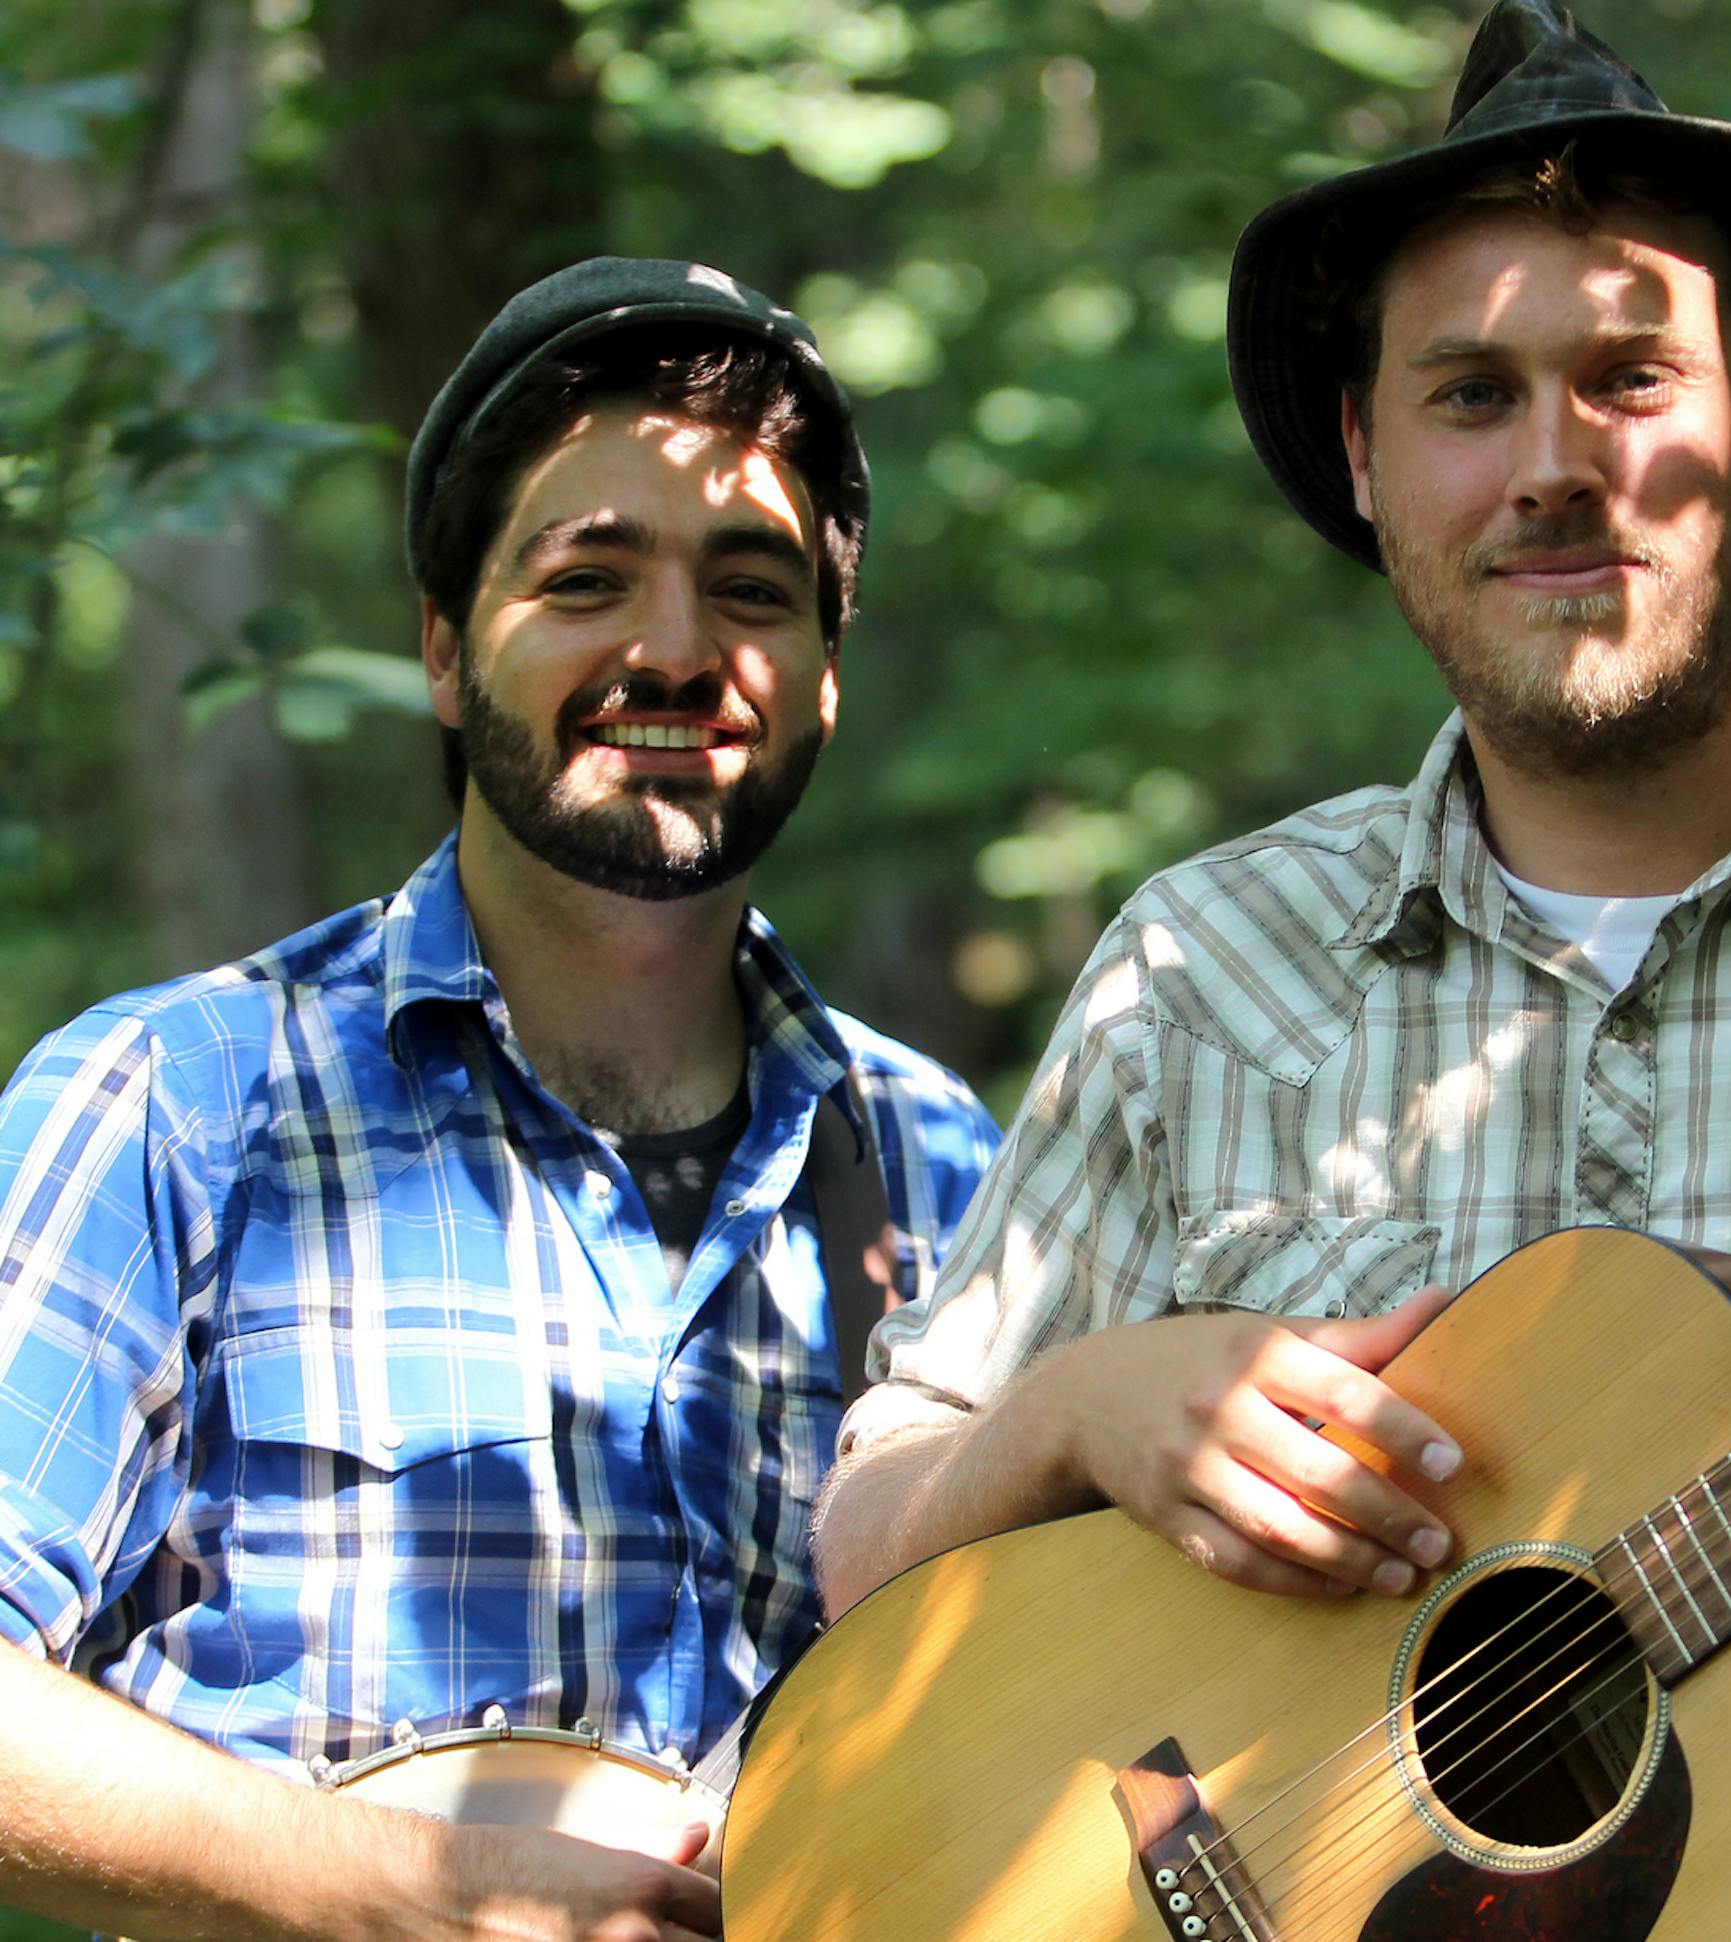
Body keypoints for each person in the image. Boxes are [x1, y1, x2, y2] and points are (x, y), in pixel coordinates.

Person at [814, 4, 1731, 1931]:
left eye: (1628, 377)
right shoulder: (1200, 974)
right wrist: (1064, 1411)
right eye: (1469, 395)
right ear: (1366, 456)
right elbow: (869, 1552)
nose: (1553, 465)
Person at [0, 258, 997, 1940]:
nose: (674, 650)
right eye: (588, 578)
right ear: (449, 658)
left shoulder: (933, 1172)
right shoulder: (177, 1101)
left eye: (749, 588)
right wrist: (383, 1886)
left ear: (826, 674)